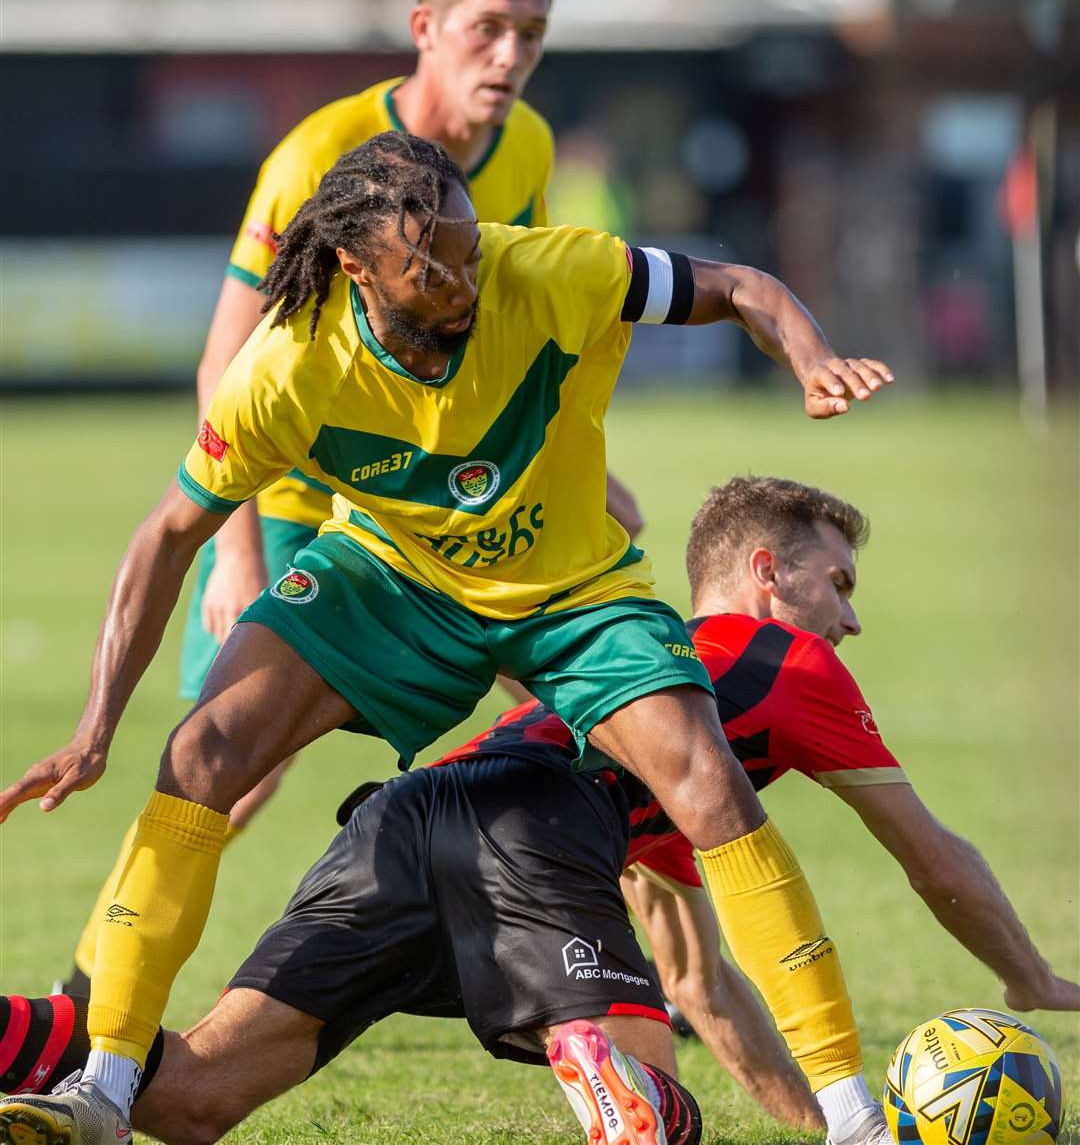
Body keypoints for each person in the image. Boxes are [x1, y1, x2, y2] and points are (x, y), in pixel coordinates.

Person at [0, 133, 894, 1143]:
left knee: (708, 782)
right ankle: (105, 1091)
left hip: (572, 588)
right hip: (397, 578)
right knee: (202, 753)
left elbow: (741, 285)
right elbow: (167, 533)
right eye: (432, 265)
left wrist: (812, 360)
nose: (466, 276)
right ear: (354, 265)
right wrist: (95, 725)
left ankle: (856, 1120)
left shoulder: (549, 268)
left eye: (469, 247)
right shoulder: (289, 368)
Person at [59, 0, 642, 997]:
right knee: (227, 762)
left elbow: (519, 310)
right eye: (486, 29)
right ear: (427, 26)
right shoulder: (317, 163)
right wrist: (237, 558)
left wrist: (568, 460)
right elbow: (223, 367)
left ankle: (642, 967)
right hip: (292, 484)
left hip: (433, 491)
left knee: (598, 702)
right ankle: (92, 1000)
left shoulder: (530, 149)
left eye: (530, 31)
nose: (509, 56)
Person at [445, 475, 1080, 1123]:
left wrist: (829, 1126)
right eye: (839, 584)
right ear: (767, 572)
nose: (853, 621)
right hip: (515, 843)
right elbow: (934, 860)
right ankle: (572, 1039)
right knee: (641, 1082)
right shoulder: (786, 661)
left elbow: (699, 984)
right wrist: (1033, 979)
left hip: (418, 813)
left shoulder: (669, 740)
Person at [0, 747, 705, 1145]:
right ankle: (626, 1096)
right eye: (824, 582)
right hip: (526, 823)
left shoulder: (634, 660)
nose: (826, 619)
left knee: (196, 1097)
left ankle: (9, 1037)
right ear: (765, 574)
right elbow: (702, 980)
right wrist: (822, 1097)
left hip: (394, 815)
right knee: (665, 1107)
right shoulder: (776, 665)